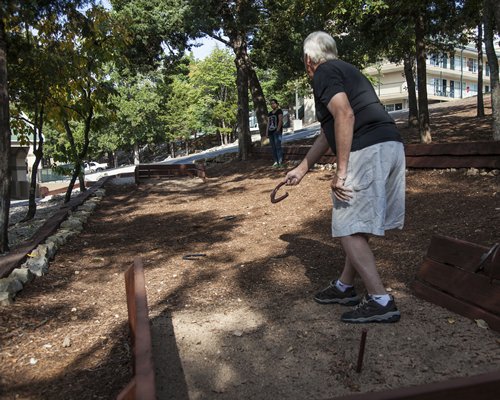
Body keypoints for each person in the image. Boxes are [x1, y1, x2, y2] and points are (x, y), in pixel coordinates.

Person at [284, 31, 405, 323]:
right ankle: (344, 286)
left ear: (308, 59)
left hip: (368, 149)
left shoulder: (323, 73)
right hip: (391, 145)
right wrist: (303, 168)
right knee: (357, 225)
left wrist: (341, 171)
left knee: (347, 226)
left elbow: (345, 115)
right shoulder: (346, 70)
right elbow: (329, 130)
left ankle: (380, 300)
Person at [266, 99, 284, 167]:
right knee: (273, 147)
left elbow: (280, 120)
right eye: (271, 104)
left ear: (277, 104)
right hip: (270, 132)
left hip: (277, 131)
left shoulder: (279, 111)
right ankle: (275, 161)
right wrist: (266, 132)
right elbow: (268, 123)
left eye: (273, 103)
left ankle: (280, 161)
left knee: (278, 146)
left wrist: (278, 129)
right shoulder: (270, 113)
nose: (272, 105)